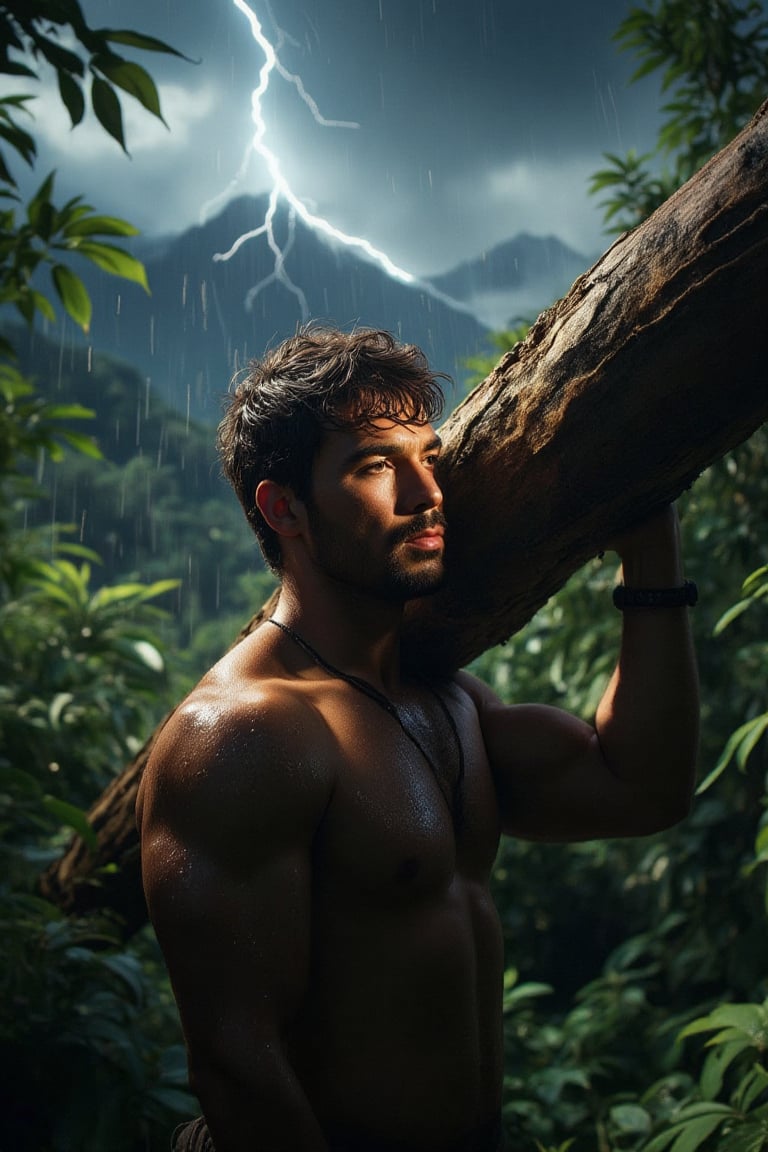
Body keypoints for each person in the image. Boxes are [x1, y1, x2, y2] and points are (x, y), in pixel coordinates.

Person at [137, 325, 699, 1152]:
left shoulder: (445, 698)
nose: (425, 492)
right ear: (283, 507)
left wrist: (651, 559)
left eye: (427, 456)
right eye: (374, 465)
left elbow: (642, 788)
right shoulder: (245, 733)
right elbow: (237, 1066)